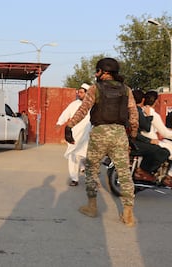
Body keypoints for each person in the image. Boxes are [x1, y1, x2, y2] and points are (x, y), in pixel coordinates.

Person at [64, 57, 138, 227]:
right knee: (124, 173)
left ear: (103, 72)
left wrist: (69, 126)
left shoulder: (94, 89)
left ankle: (92, 207)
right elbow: (133, 115)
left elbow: (83, 110)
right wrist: (132, 135)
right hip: (119, 134)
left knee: (91, 170)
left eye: (97, 70)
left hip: (99, 133)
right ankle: (128, 213)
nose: (95, 74)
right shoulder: (126, 90)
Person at [130, 90, 170, 182]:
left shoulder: (138, 110)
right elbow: (163, 133)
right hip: (146, 140)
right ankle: (166, 176)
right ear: (156, 101)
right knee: (165, 152)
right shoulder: (151, 113)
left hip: (142, 139)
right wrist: (149, 116)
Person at [56, 83, 91, 186]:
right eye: (78, 92)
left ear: (86, 93)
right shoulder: (74, 104)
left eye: (81, 92)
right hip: (74, 135)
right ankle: (74, 179)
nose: (78, 94)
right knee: (73, 156)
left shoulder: (92, 105)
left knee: (86, 157)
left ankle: (86, 171)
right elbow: (65, 113)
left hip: (87, 135)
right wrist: (59, 123)